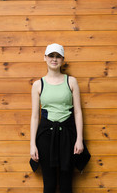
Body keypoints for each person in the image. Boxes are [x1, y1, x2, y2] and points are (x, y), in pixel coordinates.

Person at [30, 43, 84, 193]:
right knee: (49, 183)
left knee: (66, 183)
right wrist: (32, 145)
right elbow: (35, 117)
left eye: (58, 56)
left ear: (62, 60)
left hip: (68, 136)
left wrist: (79, 139)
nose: (54, 59)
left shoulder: (71, 81)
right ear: (45, 58)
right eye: (51, 56)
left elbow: (78, 112)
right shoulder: (37, 85)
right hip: (46, 137)